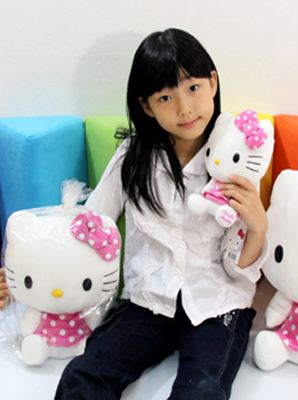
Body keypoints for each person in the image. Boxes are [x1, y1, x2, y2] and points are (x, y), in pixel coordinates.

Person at [55, 28, 269, 400]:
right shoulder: (132, 157)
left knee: (202, 390)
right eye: (166, 97)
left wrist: (258, 227)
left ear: (213, 83)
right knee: (83, 376)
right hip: (147, 300)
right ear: (146, 106)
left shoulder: (236, 157)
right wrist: (37, 268)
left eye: (193, 88)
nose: (184, 108)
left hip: (217, 303)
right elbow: (92, 223)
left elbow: (237, 269)